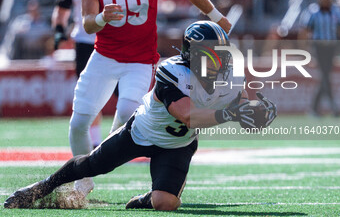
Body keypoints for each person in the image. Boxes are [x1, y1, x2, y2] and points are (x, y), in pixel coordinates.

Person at [4, 21, 277, 211]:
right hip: (142, 131)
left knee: (166, 204)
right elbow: (186, 115)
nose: (219, 62)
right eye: (211, 55)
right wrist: (232, 113)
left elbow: (238, 105)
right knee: (92, 164)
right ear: (191, 54)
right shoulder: (173, 71)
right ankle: (41, 187)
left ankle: (146, 199)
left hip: (178, 145)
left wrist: (255, 113)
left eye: (222, 54)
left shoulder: (232, 75)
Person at [67, 0, 232, 198]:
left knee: (126, 114)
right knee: (79, 123)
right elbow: (88, 22)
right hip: (104, 57)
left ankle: (105, 155)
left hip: (140, 61)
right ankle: (82, 181)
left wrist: (216, 15)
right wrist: (102, 17)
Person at [52, 0, 103, 150]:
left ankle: (134, 140)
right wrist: (59, 28)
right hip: (85, 41)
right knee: (89, 94)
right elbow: (63, 4)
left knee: (125, 94)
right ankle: (95, 141)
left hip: (115, 39)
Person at [299, 0, 340, 116]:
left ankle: (315, 109)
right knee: (324, 76)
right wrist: (304, 50)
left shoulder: (336, 12)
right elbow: (305, 31)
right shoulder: (313, 12)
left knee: (325, 76)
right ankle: (333, 108)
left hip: (331, 47)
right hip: (318, 47)